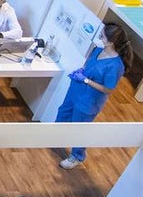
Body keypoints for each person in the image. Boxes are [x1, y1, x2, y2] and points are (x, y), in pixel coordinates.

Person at [56, 22, 132, 169]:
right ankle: (56, 137)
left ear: (111, 42)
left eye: (102, 36)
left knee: (80, 129)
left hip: (89, 101)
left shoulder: (116, 65)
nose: (99, 37)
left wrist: (85, 80)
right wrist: (81, 71)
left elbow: (108, 89)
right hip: (75, 91)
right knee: (63, 113)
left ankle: (77, 157)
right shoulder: (98, 50)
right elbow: (88, 66)